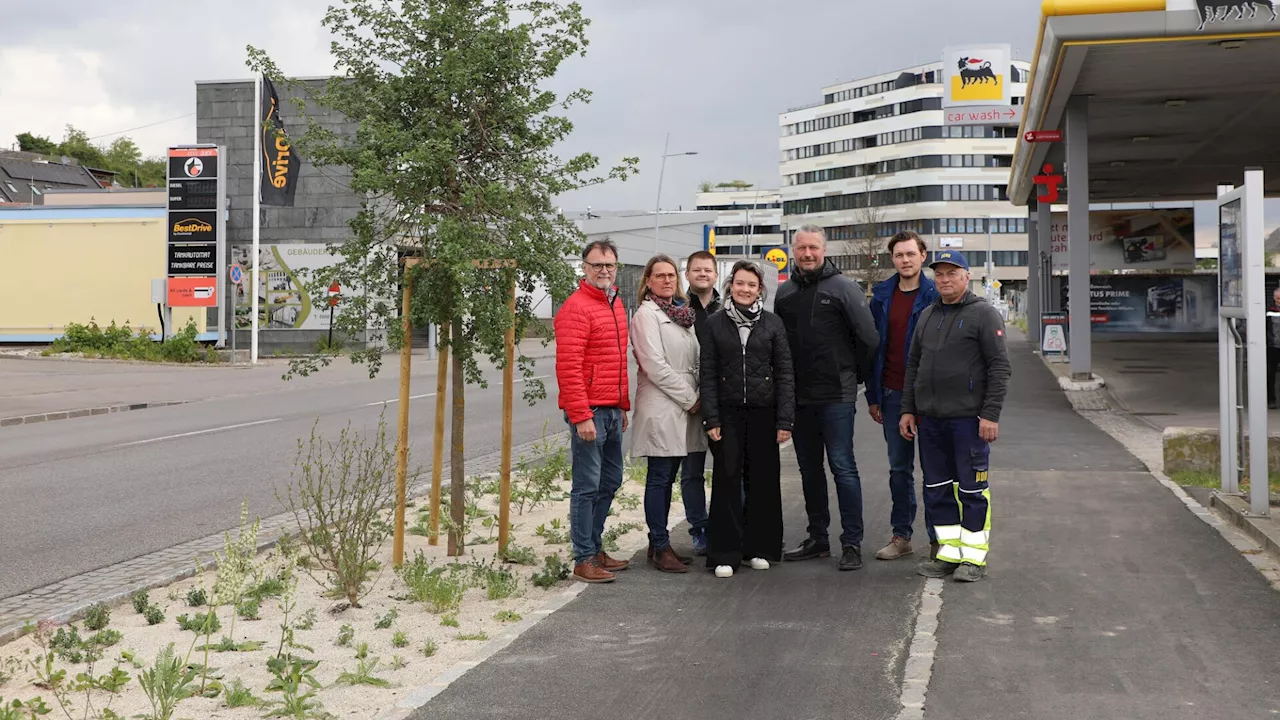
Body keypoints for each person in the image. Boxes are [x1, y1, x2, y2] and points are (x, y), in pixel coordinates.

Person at [899, 250, 1012, 583]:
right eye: (940, 274)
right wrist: (908, 409)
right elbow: (913, 367)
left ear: (966, 276)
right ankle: (948, 553)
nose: (945, 279)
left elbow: (1000, 367)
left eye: (952, 273)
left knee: (972, 492)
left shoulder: (984, 314)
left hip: (968, 421)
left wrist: (990, 415)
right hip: (931, 420)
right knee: (936, 489)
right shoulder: (927, 316)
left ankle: (974, 559)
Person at [776, 224, 880, 571]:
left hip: (836, 394)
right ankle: (817, 538)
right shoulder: (785, 292)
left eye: (813, 248)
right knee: (808, 470)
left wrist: (855, 377)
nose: (807, 254)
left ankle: (851, 542)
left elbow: (868, 337)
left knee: (843, 467)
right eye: (801, 248)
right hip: (800, 397)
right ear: (793, 250)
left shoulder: (844, 288)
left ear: (824, 250)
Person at [700, 261, 795, 578]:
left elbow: (784, 374)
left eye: (751, 285)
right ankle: (725, 553)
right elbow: (708, 375)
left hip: (764, 413)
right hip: (727, 414)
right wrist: (710, 417)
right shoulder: (714, 324)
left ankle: (760, 548)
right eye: (739, 283)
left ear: (760, 289)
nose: (744, 289)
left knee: (764, 480)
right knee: (727, 480)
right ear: (730, 285)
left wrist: (785, 420)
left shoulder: (773, 324)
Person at [555, 240, 632, 584]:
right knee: (587, 486)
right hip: (590, 413)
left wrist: (622, 405)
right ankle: (583, 557)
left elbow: (617, 362)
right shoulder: (576, 308)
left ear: (617, 267)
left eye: (609, 265)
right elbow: (568, 367)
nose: (604, 270)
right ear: (584, 268)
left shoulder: (615, 303)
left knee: (611, 479)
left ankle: (595, 546)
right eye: (597, 265)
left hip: (611, 410)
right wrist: (581, 414)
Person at [630, 254, 708, 573]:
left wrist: (703, 389)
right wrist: (691, 398)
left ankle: (657, 545)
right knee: (660, 477)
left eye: (671, 275)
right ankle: (660, 545)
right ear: (647, 281)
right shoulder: (646, 315)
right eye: (659, 275)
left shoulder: (682, 315)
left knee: (672, 474)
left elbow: (696, 355)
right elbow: (655, 365)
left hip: (686, 404)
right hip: (663, 405)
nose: (666, 280)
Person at [867, 231, 940, 562]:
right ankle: (902, 536)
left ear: (923, 256)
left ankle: (940, 538)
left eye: (911, 253)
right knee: (899, 469)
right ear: (892, 259)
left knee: (935, 470)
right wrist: (873, 394)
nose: (905, 260)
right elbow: (872, 349)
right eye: (899, 255)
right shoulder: (881, 296)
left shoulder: (937, 293)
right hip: (893, 394)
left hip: (931, 396)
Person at [680, 250, 721, 555]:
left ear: (715, 274)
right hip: (691, 401)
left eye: (707, 269)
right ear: (688, 275)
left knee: (729, 468)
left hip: (724, 400)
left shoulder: (730, 306)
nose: (702, 274)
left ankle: (730, 526)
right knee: (692, 471)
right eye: (697, 270)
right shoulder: (678, 309)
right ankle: (699, 530)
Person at [1267, 287, 1280, 409]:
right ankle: (1271, 400)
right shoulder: (1268, 310)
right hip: (1272, 347)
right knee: (1270, 375)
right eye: (1277, 298)